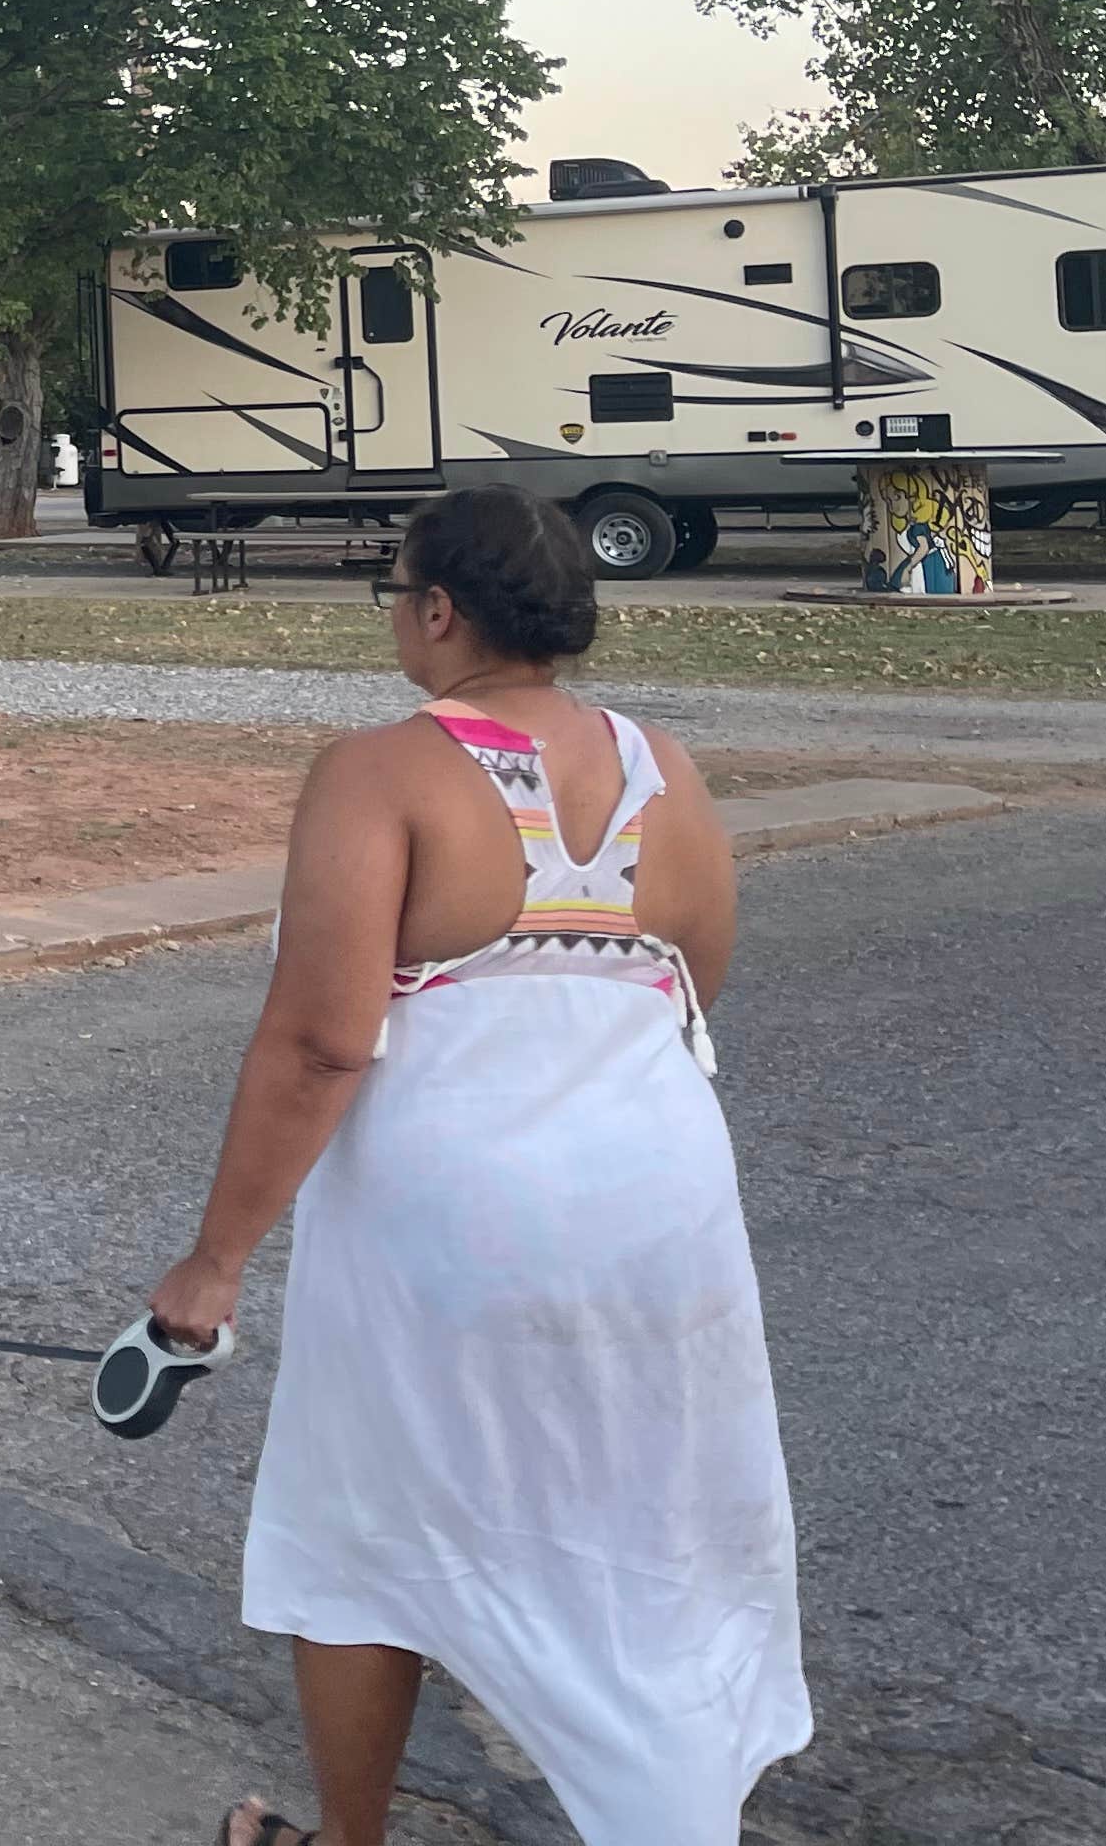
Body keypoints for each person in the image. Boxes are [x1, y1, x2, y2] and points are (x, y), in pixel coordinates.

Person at [148, 485, 809, 1845]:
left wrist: (211, 1267)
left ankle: (348, 1838)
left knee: (365, 1538)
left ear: (439, 611)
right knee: (650, 1551)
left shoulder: (379, 774)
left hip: (447, 1231)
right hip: (660, 1218)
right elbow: (697, 980)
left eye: (395, 592)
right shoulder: (663, 769)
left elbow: (322, 1044)